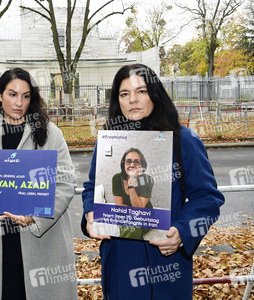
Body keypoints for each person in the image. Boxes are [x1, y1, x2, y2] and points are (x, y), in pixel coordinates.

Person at [81, 64, 225, 299]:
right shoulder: (108, 141)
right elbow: (92, 187)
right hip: (120, 262)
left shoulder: (183, 139)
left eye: (141, 91)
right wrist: (90, 213)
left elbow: (208, 198)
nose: (132, 100)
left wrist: (182, 231)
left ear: (155, 95)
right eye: (124, 94)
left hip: (166, 263)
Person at [0, 68, 78, 300]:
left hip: (39, 247)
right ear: (0, 95)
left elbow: (65, 182)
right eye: (12, 94)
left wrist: (37, 217)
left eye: (26, 96)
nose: (19, 103)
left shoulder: (50, 134)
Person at [112, 148, 154, 239]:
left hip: (145, 216)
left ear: (142, 165)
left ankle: (124, 248)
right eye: (128, 161)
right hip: (124, 215)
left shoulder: (147, 180)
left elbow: (139, 208)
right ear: (124, 164)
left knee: (134, 226)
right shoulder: (116, 178)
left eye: (136, 162)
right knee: (131, 225)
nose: (132, 165)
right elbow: (119, 205)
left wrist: (131, 184)